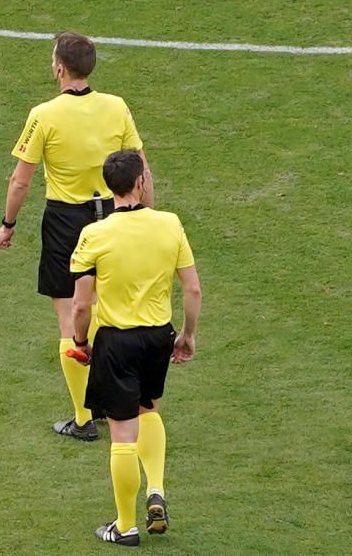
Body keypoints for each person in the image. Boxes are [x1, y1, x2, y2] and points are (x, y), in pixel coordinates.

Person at [0, 31, 156, 440]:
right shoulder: (117, 107)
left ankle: (84, 419)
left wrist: (8, 224)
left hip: (67, 223)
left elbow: (20, 180)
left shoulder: (43, 115)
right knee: (105, 312)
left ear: (60, 68)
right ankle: (112, 404)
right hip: (114, 218)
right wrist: (147, 217)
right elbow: (140, 166)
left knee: (70, 317)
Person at [70, 150, 201, 546]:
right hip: (158, 336)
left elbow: (80, 304)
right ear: (141, 183)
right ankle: (156, 488)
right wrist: (187, 336)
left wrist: (80, 341)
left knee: (122, 434)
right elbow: (192, 288)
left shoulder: (95, 234)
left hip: (116, 340)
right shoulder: (169, 223)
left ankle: (125, 527)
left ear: (111, 188)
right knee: (149, 410)